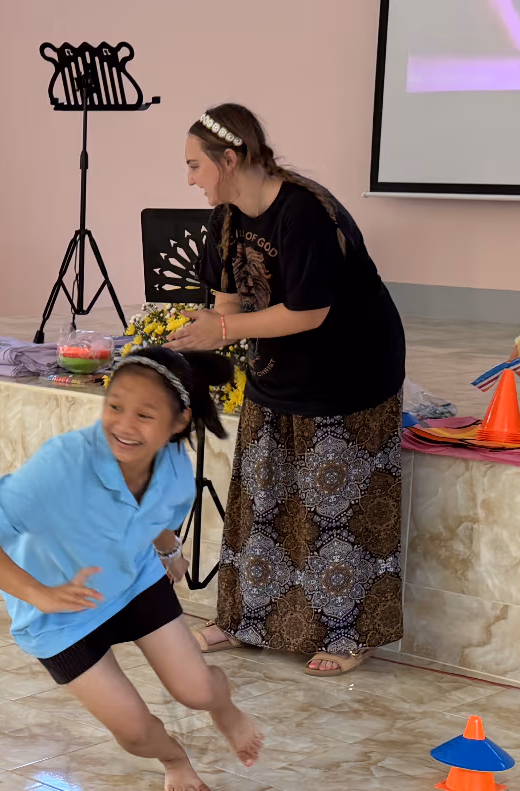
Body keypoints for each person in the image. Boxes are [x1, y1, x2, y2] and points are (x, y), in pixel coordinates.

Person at [0, 347, 264, 791]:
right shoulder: (63, 462)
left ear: (178, 423)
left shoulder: (176, 470)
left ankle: (224, 709)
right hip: (57, 616)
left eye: (144, 415)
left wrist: (169, 549)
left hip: (133, 583)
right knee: (134, 732)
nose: (124, 425)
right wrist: (40, 594)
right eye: (115, 406)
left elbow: (155, 512)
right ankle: (174, 759)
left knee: (197, 690)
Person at [167, 104, 406, 677]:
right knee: (260, 500)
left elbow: (308, 312)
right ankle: (243, 619)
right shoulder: (225, 220)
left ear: (230, 160)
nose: (190, 179)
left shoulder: (306, 212)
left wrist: (223, 329)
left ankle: (351, 636)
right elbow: (226, 306)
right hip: (277, 373)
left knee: (339, 511)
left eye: (195, 166)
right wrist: (198, 345)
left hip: (350, 374)